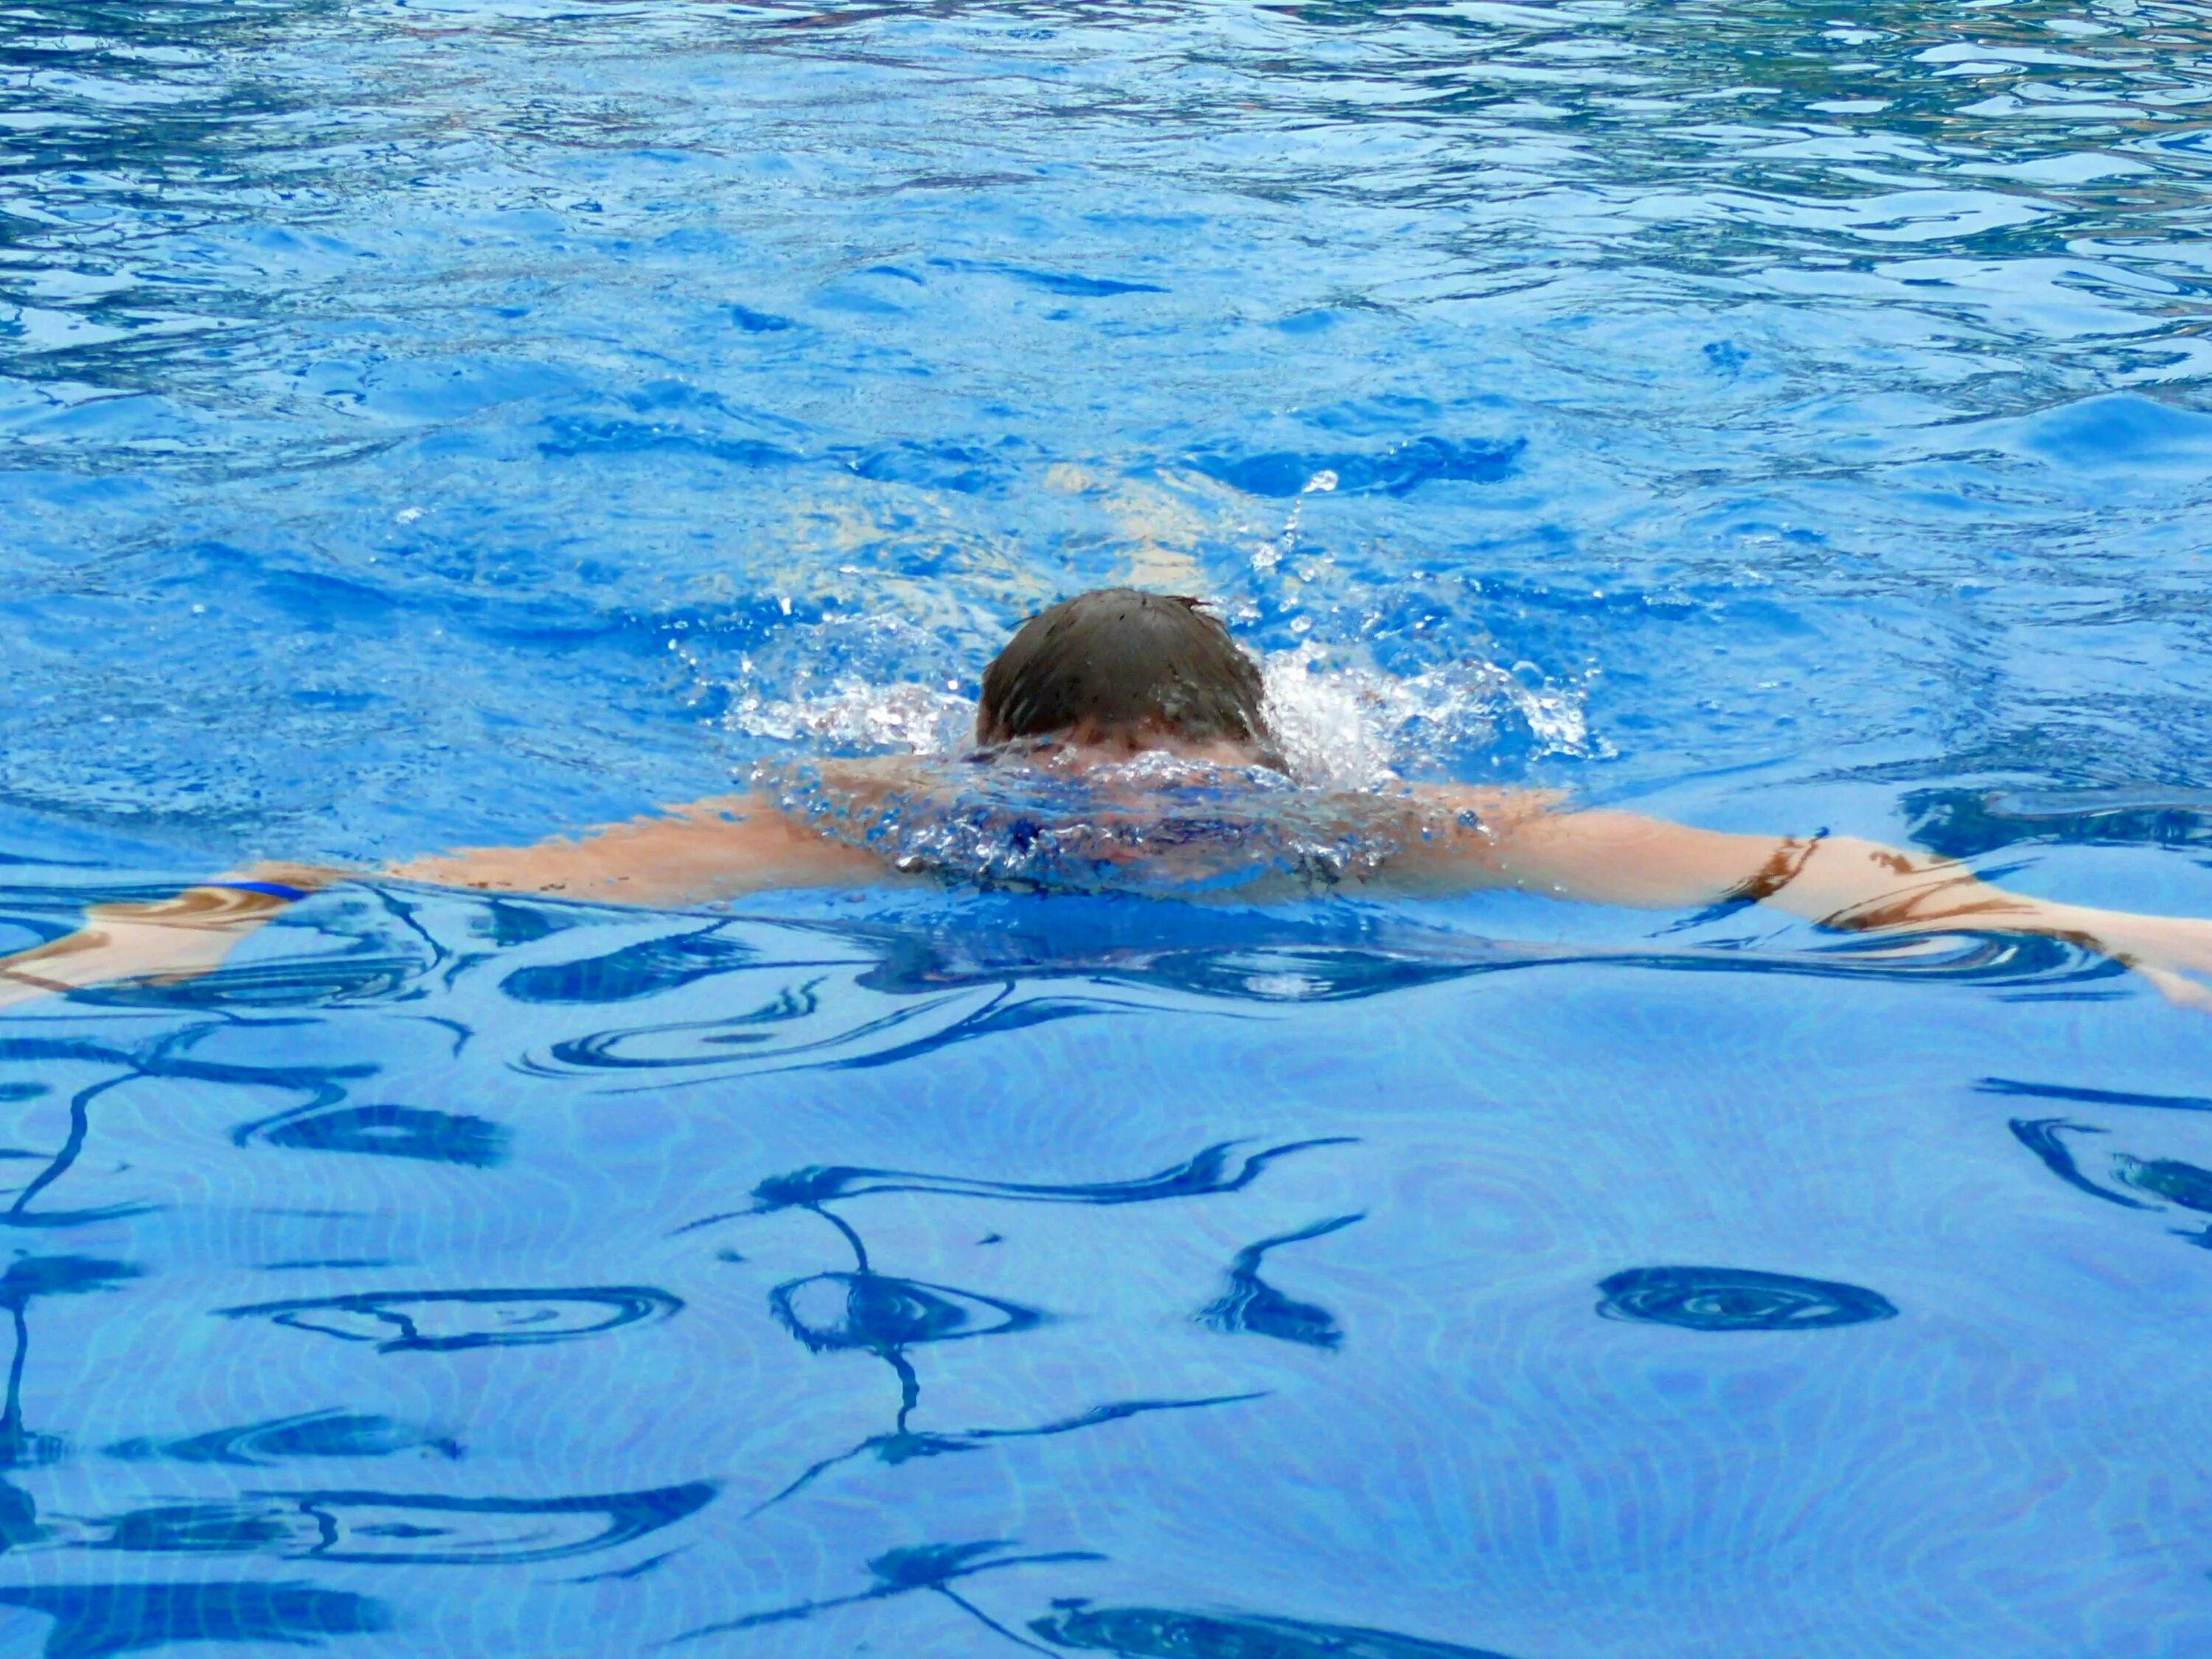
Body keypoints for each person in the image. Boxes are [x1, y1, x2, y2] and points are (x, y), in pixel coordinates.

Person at [4, 588, 2211, 1011]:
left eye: (1187, 779)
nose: (1143, 822)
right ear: (1014, 768)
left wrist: (2116, 932)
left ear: (1259, 762)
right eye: (1088, 782)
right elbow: (423, 869)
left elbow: (1787, 871)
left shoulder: (1380, 823)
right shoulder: (875, 820)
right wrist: (110, 941)